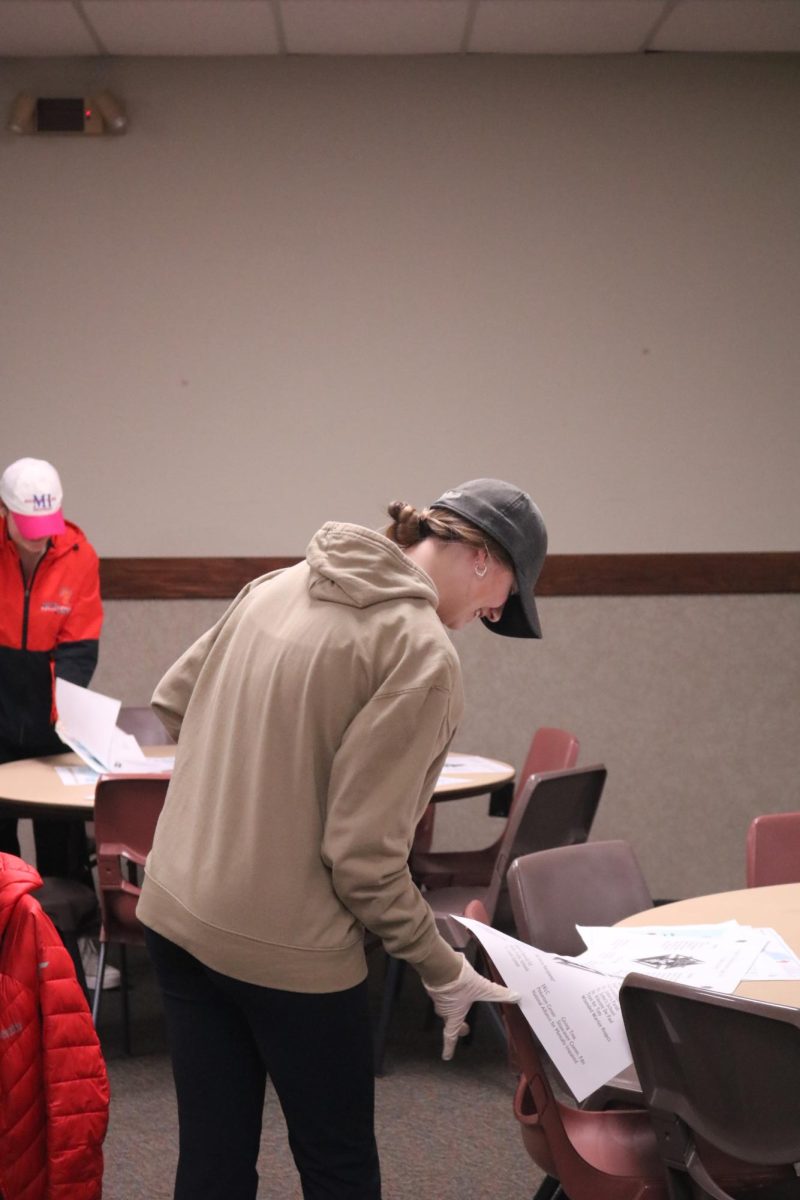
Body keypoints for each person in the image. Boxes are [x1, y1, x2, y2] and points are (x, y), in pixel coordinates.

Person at [137, 477, 549, 1200]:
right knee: (338, 1169)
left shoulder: (283, 582)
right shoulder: (419, 654)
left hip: (176, 913)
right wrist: (442, 969)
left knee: (212, 1160)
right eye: (507, 595)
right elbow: (364, 864)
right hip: (289, 953)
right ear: (481, 555)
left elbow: (173, 701)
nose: (491, 615)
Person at [0, 456, 117, 990]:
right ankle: (9, 960)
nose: (35, 541)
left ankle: (72, 955)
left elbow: (78, 651)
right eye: (25, 529)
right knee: (2, 850)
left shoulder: (78, 554)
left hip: (51, 719)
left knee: (61, 842)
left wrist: (58, 717)